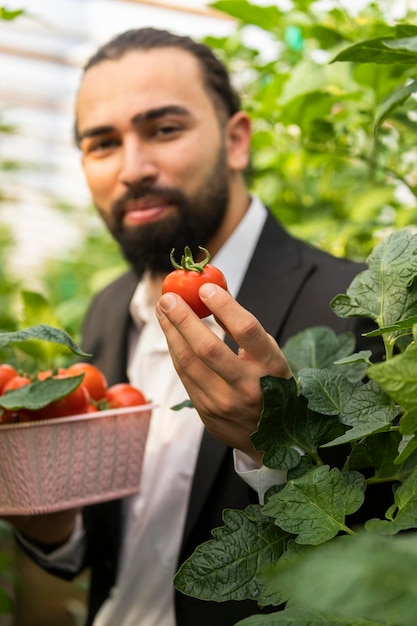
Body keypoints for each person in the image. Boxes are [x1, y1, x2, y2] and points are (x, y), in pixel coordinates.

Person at [9, 27, 380, 626]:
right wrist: (50, 526)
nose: (133, 168)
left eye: (164, 129)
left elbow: (386, 568)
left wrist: (275, 447)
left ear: (237, 141)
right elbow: (115, 553)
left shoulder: (358, 309)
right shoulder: (107, 313)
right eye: (102, 143)